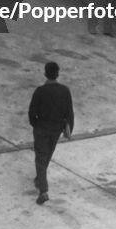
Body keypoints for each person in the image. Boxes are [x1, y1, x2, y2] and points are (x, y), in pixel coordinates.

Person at [28, 61, 74, 206]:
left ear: (45, 73)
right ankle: (39, 179)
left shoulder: (40, 91)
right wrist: (68, 130)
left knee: (40, 158)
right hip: (56, 130)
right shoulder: (65, 91)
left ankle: (43, 190)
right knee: (48, 154)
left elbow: (32, 112)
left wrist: (36, 125)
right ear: (57, 74)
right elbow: (69, 112)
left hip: (42, 128)